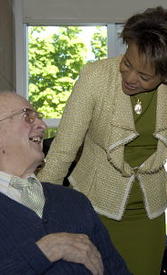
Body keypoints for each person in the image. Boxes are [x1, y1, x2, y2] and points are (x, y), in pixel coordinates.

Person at [37, 6, 167, 275]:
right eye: (127, 62)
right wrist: (37, 209)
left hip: (148, 213)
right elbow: (62, 151)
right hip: (93, 206)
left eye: (144, 76)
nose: (129, 77)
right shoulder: (95, 77)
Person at [0, 91, 130, 275]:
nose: (42, 125)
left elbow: (117, 271)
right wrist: (47, 250)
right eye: (27, 116)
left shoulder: (74, 201)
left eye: (39, 117)